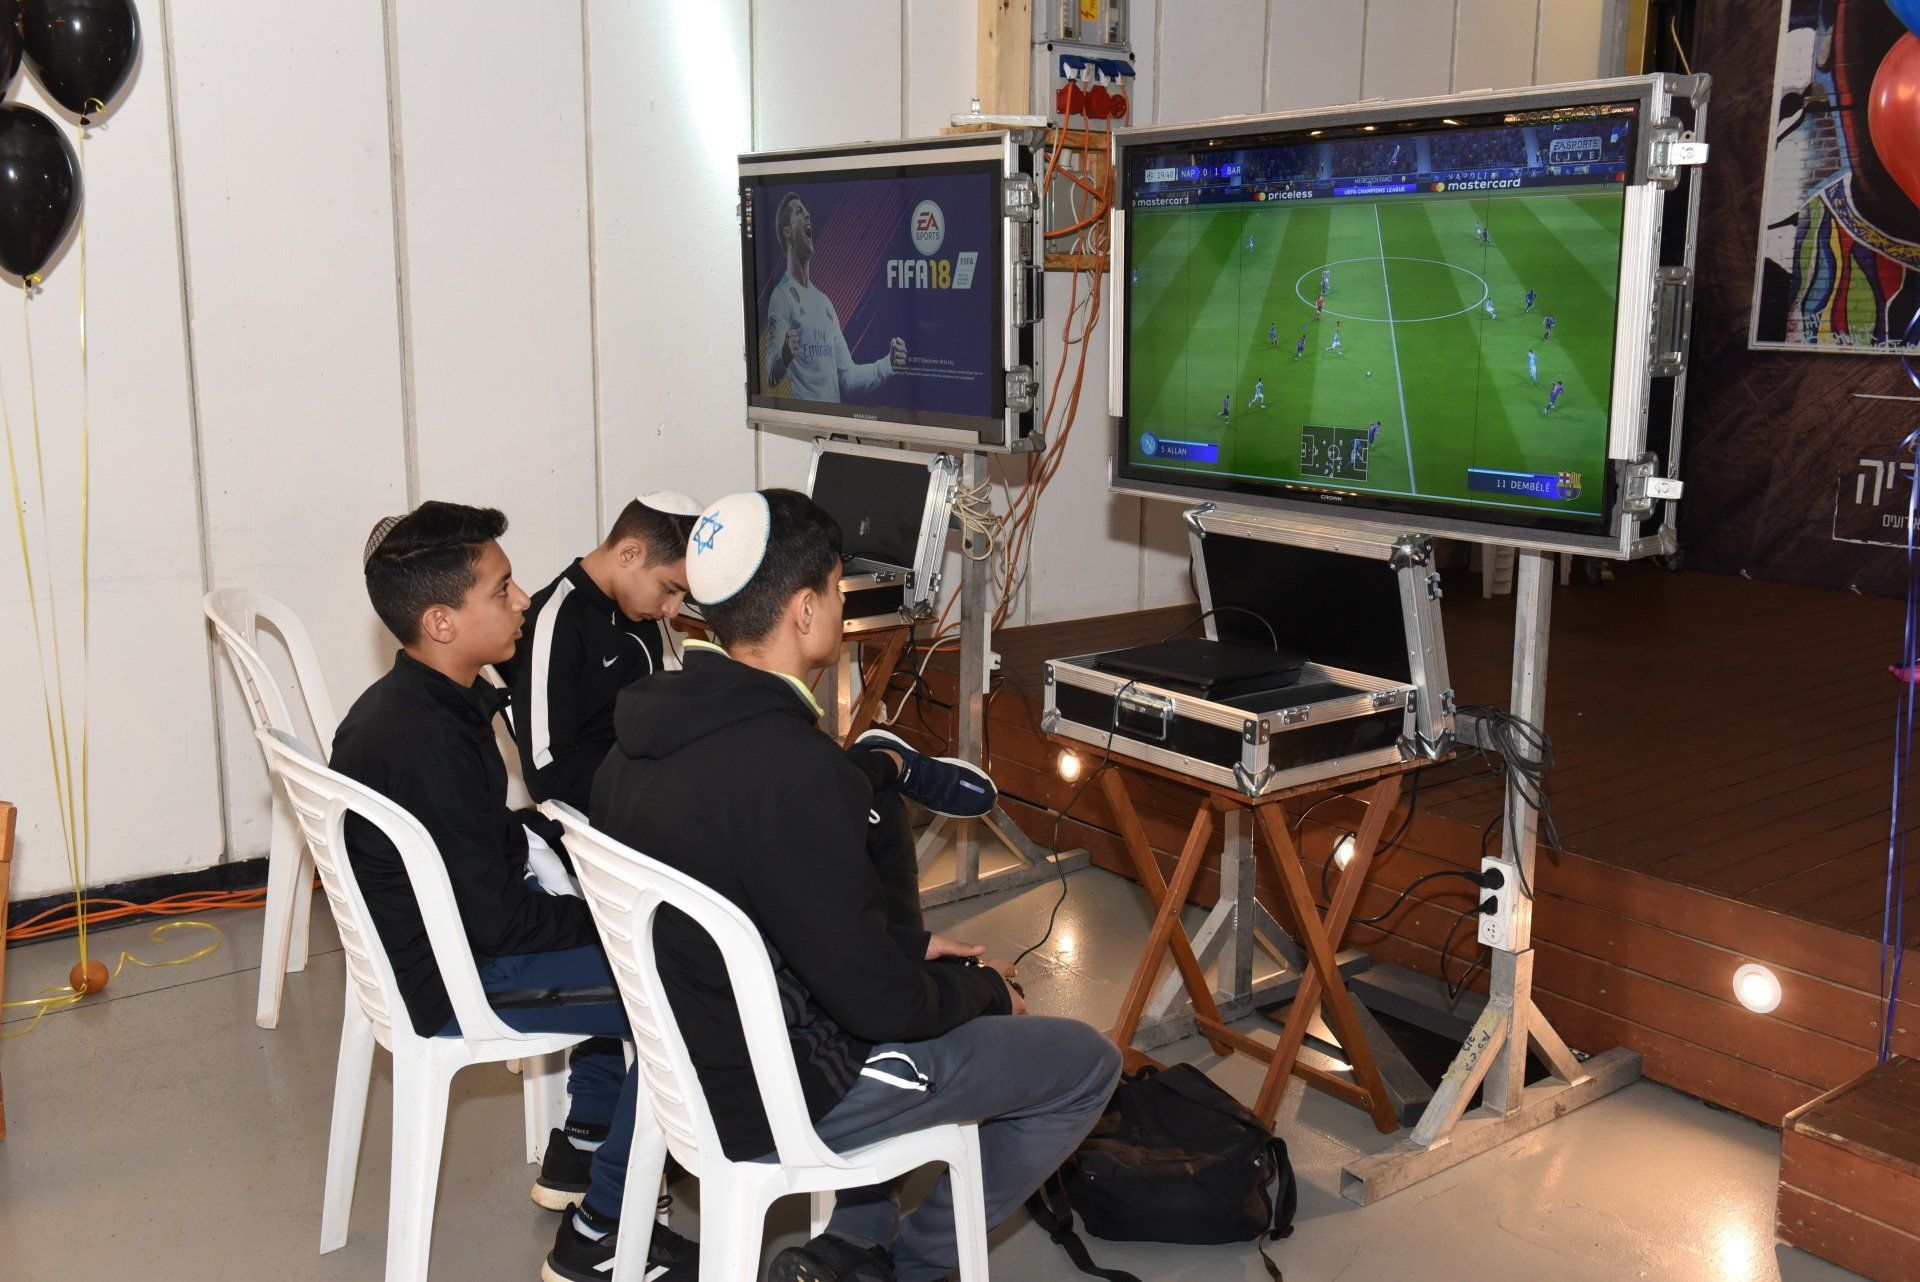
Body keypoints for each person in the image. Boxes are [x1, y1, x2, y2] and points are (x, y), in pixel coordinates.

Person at [592, 490, 1121, 1282]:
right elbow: (879, 1008)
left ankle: (856, 1242)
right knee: (1084, 1064)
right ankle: (914, 1266)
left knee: (919, 966)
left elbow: (773, 914)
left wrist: (907, 947)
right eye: (838, 589)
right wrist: (983, 991)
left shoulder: (635, 740)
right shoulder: (792, 770)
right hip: (784, 1096)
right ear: (804, 610)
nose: (841, 605)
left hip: (688, 1072)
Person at [330, 502, 698, 1282]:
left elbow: (480, 861)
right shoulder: (427, 742)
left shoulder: (415, 703)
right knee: (690, 987)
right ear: (440, 622)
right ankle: (604, 1231)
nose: (523, 598)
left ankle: (585, 1146)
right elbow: (501, 922)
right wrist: (610, 916)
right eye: (501, 590)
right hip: (461, 979)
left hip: (448, 941)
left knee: (649, 927)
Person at [497, 491, 702, 811]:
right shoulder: (554, 621)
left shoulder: (639, 610)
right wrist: (664, 778)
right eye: (669, 589)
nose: (672, 610)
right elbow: (547, 775)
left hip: (645, 799)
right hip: (601, 821)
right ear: (629, 554)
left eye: (683, 596)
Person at [763, 193, 908, 402]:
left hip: (835, 419)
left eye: (807, 211)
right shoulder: (782, 296)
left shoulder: (825, 303)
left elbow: (850, 377)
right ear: (787, 232)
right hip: (806, 418)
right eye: (799, 212)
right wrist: (784, 356)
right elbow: (770, 372)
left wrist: (888, 364)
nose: (808, 215)